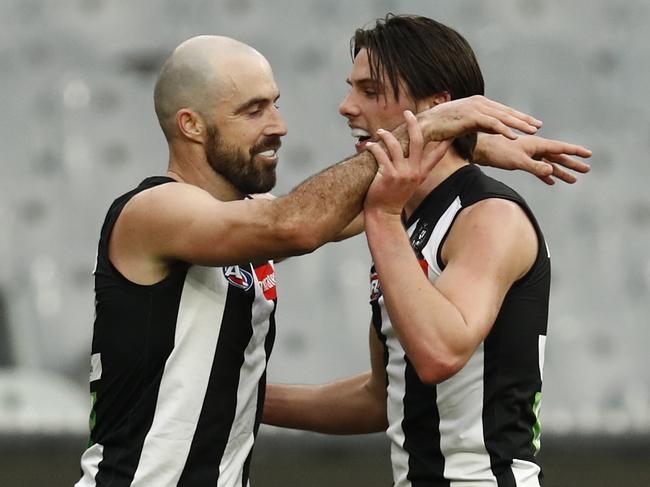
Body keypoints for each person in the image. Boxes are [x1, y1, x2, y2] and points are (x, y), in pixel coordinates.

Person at [74, 33, 549, 487]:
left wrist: (460, 149)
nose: (278, 125)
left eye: (275, 104)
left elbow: (339, 209)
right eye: (254, 110)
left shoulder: (242, 219)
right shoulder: (154, 211)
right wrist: (426, 129)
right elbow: (295, 224)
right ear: (191, 125)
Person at [263, 14, 590, 486]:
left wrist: (384, 216)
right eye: (352, 88)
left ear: (439, 108)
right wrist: (242, 395)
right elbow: (384, 395)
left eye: (370, 91)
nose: (346, 107)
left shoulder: (486, 216)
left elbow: (439, 354)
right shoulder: (405, 216)